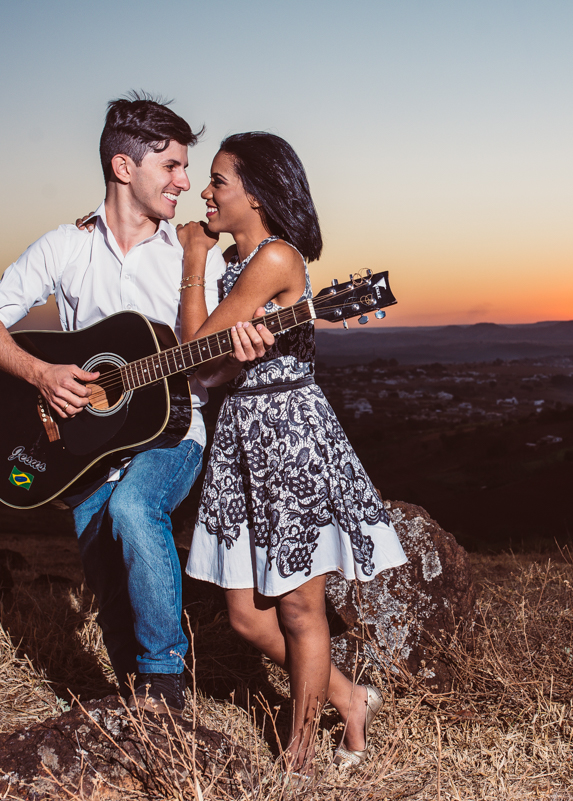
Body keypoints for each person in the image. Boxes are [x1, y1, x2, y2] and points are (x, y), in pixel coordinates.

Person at [0, 94, 267, 712]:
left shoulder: (193, 255)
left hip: (173, 431)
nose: (187, 182)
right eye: (172, 167)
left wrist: (240, 350)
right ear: (124, 168)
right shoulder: (65, 246)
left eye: (189, 167)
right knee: (104, 571)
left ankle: (166, 681)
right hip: (84, 440)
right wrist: (41, 373)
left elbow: (208, 355)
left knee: (134, 510)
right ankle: (134, 693)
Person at [176, 132, 408, 775]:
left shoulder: (276, 258)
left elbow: (193, 342)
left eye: (219, 180)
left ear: (257, 192)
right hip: (242, 438)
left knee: (301, 608)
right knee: (248, 619)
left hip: (287, 439)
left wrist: (192, 259)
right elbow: (205, 368)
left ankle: (300, 756)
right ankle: (350, 697)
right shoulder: (236, 267)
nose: (206, 191)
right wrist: (213, 304)